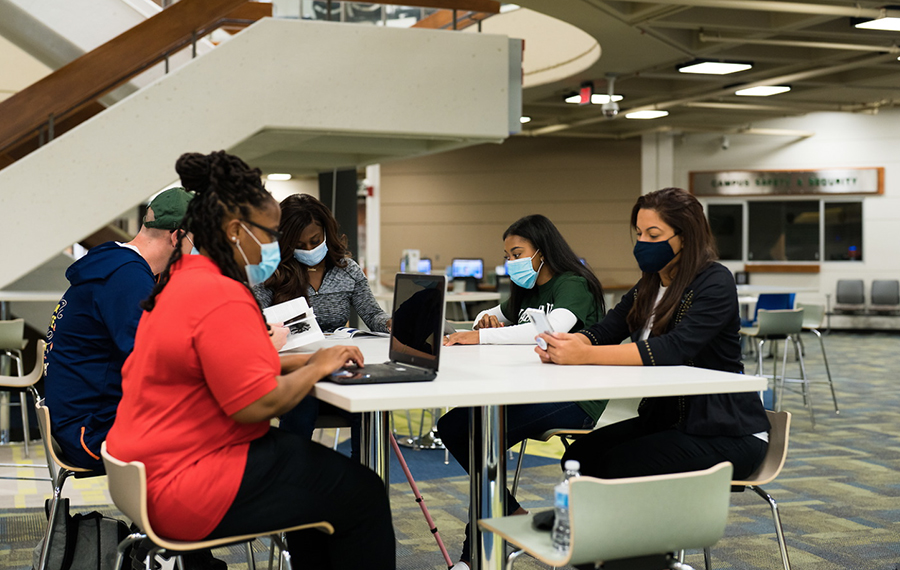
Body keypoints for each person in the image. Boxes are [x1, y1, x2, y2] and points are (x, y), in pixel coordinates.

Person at [105, 150, 395, 569]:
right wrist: (315, 367)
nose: (281, 246)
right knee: (363, 494)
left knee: (317, 494)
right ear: (238, 231)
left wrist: (303, 363)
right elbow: (254, 403)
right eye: (274, 233)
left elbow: (217, 367)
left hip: (148, 464)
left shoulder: (185, 280)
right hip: (186, 480)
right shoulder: (221, 294)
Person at [536, 187, 770, 483]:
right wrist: (569, 343)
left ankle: (616, 529)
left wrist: (584, 355)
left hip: (727, 429)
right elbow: (605, 331)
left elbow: (672, 349)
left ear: (684, 237)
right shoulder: (649, 284)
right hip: (668, 422)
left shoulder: (715, 281)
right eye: (639, 234)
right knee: (578, 458)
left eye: (654, 235)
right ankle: (585, 527)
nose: (643, 242)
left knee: (617, 465)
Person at [437, 214, 607, 570]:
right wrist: (485, 321)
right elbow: (491, 313)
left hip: (576, 397)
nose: (511, 262)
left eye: (517, 253)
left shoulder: (572, 283)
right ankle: (508, 508)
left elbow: (551, 330)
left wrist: (481, 335)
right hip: (536, 388)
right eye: (507, 255)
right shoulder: (527, 291)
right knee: (455, 426)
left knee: (480, 439)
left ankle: (472, 559)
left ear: (542, 252)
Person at [44, 186, 193, 471]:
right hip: (92, 432)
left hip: (78, 419)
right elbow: (153, 360)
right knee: (210, 431)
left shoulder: (118, 263)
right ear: (177, 236)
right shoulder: (127, 278)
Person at [254, 193, 389, 458]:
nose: (309, 250)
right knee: (301, 406)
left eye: (315, 241)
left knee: (370, 404)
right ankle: (293, 475)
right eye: (300, 244)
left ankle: (363, 472)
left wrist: (394, 324)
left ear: (327, 232)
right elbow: (257, 325)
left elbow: (373, 316)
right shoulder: (271, 273)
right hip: (293, 369)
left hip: (338, 367)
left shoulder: (347, 270)